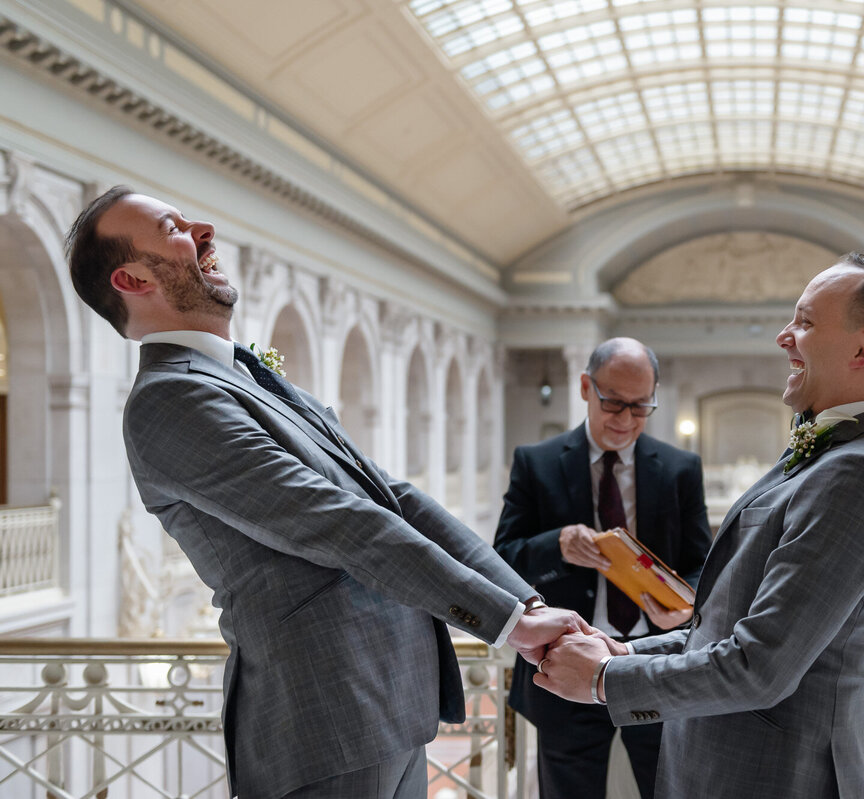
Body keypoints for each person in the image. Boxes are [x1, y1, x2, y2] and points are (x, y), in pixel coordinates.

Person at [65, 187, 587, 799]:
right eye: (172, 228)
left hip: (388, 704)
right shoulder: (171, 399)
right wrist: (504, 625)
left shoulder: (243, 377)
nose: (204, 228)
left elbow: (395, 499)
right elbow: (344, 523)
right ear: (131, 279)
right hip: (323, 720)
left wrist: (524, 606)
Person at [535, 253, 864, 798]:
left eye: (806, 322)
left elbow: (758, 666)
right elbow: (723, 628)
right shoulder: (828, 453)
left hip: (772, 777)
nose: (783, 336)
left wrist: (605, 681)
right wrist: (623, 651)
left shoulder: (860, 474)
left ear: (863, 348)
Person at [493, 338, 712, 799]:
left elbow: (702, 568)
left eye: (640, 407)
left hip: (654, 663)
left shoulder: (680, 468)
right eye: (614, 403)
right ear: (586, 387)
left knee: (668, 787)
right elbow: (502, 559)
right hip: (563, 663)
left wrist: (687, 608)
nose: (626, 420)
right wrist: (556, 545)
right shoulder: (537, 463)